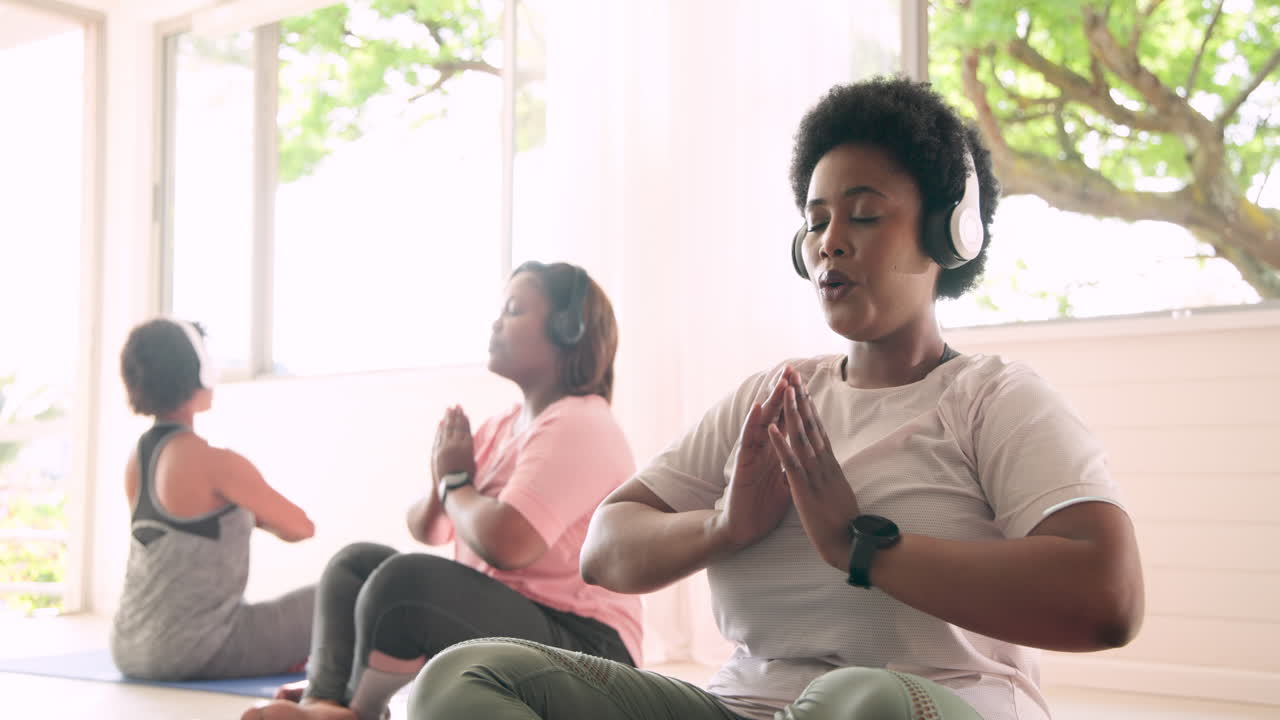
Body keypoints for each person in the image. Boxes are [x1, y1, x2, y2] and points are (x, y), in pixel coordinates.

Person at [406, 77, 1146, 720]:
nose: (829, 242)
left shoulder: (994, 398)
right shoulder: (774, 396)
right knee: (464, 675)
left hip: (911, 706)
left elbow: (1108, 599)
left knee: (859, 700)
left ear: (947, 232)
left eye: (863, 215)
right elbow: (607, 548)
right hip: (744, 705)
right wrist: (725, 524)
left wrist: (860, 546)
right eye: (816, 221)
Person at [246, 261, 642, 720]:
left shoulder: (580, 421)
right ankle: (326, 699)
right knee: (354, 566)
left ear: (566, 331)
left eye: (513, 310)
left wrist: (456, 481)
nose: (496, 322)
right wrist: (443, 479)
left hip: (587, 649)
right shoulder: (501, 427)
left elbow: (506, 543)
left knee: (405, 584)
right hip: (520, 619)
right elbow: (427, 528)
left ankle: (358, 710)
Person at [111, 317, 316, 680]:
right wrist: (250, 513)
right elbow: (300, 528)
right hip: (198, 652)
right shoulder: (217, 463)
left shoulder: (138, 458)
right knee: (348, 587)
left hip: (129, 650)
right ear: (197, 371)